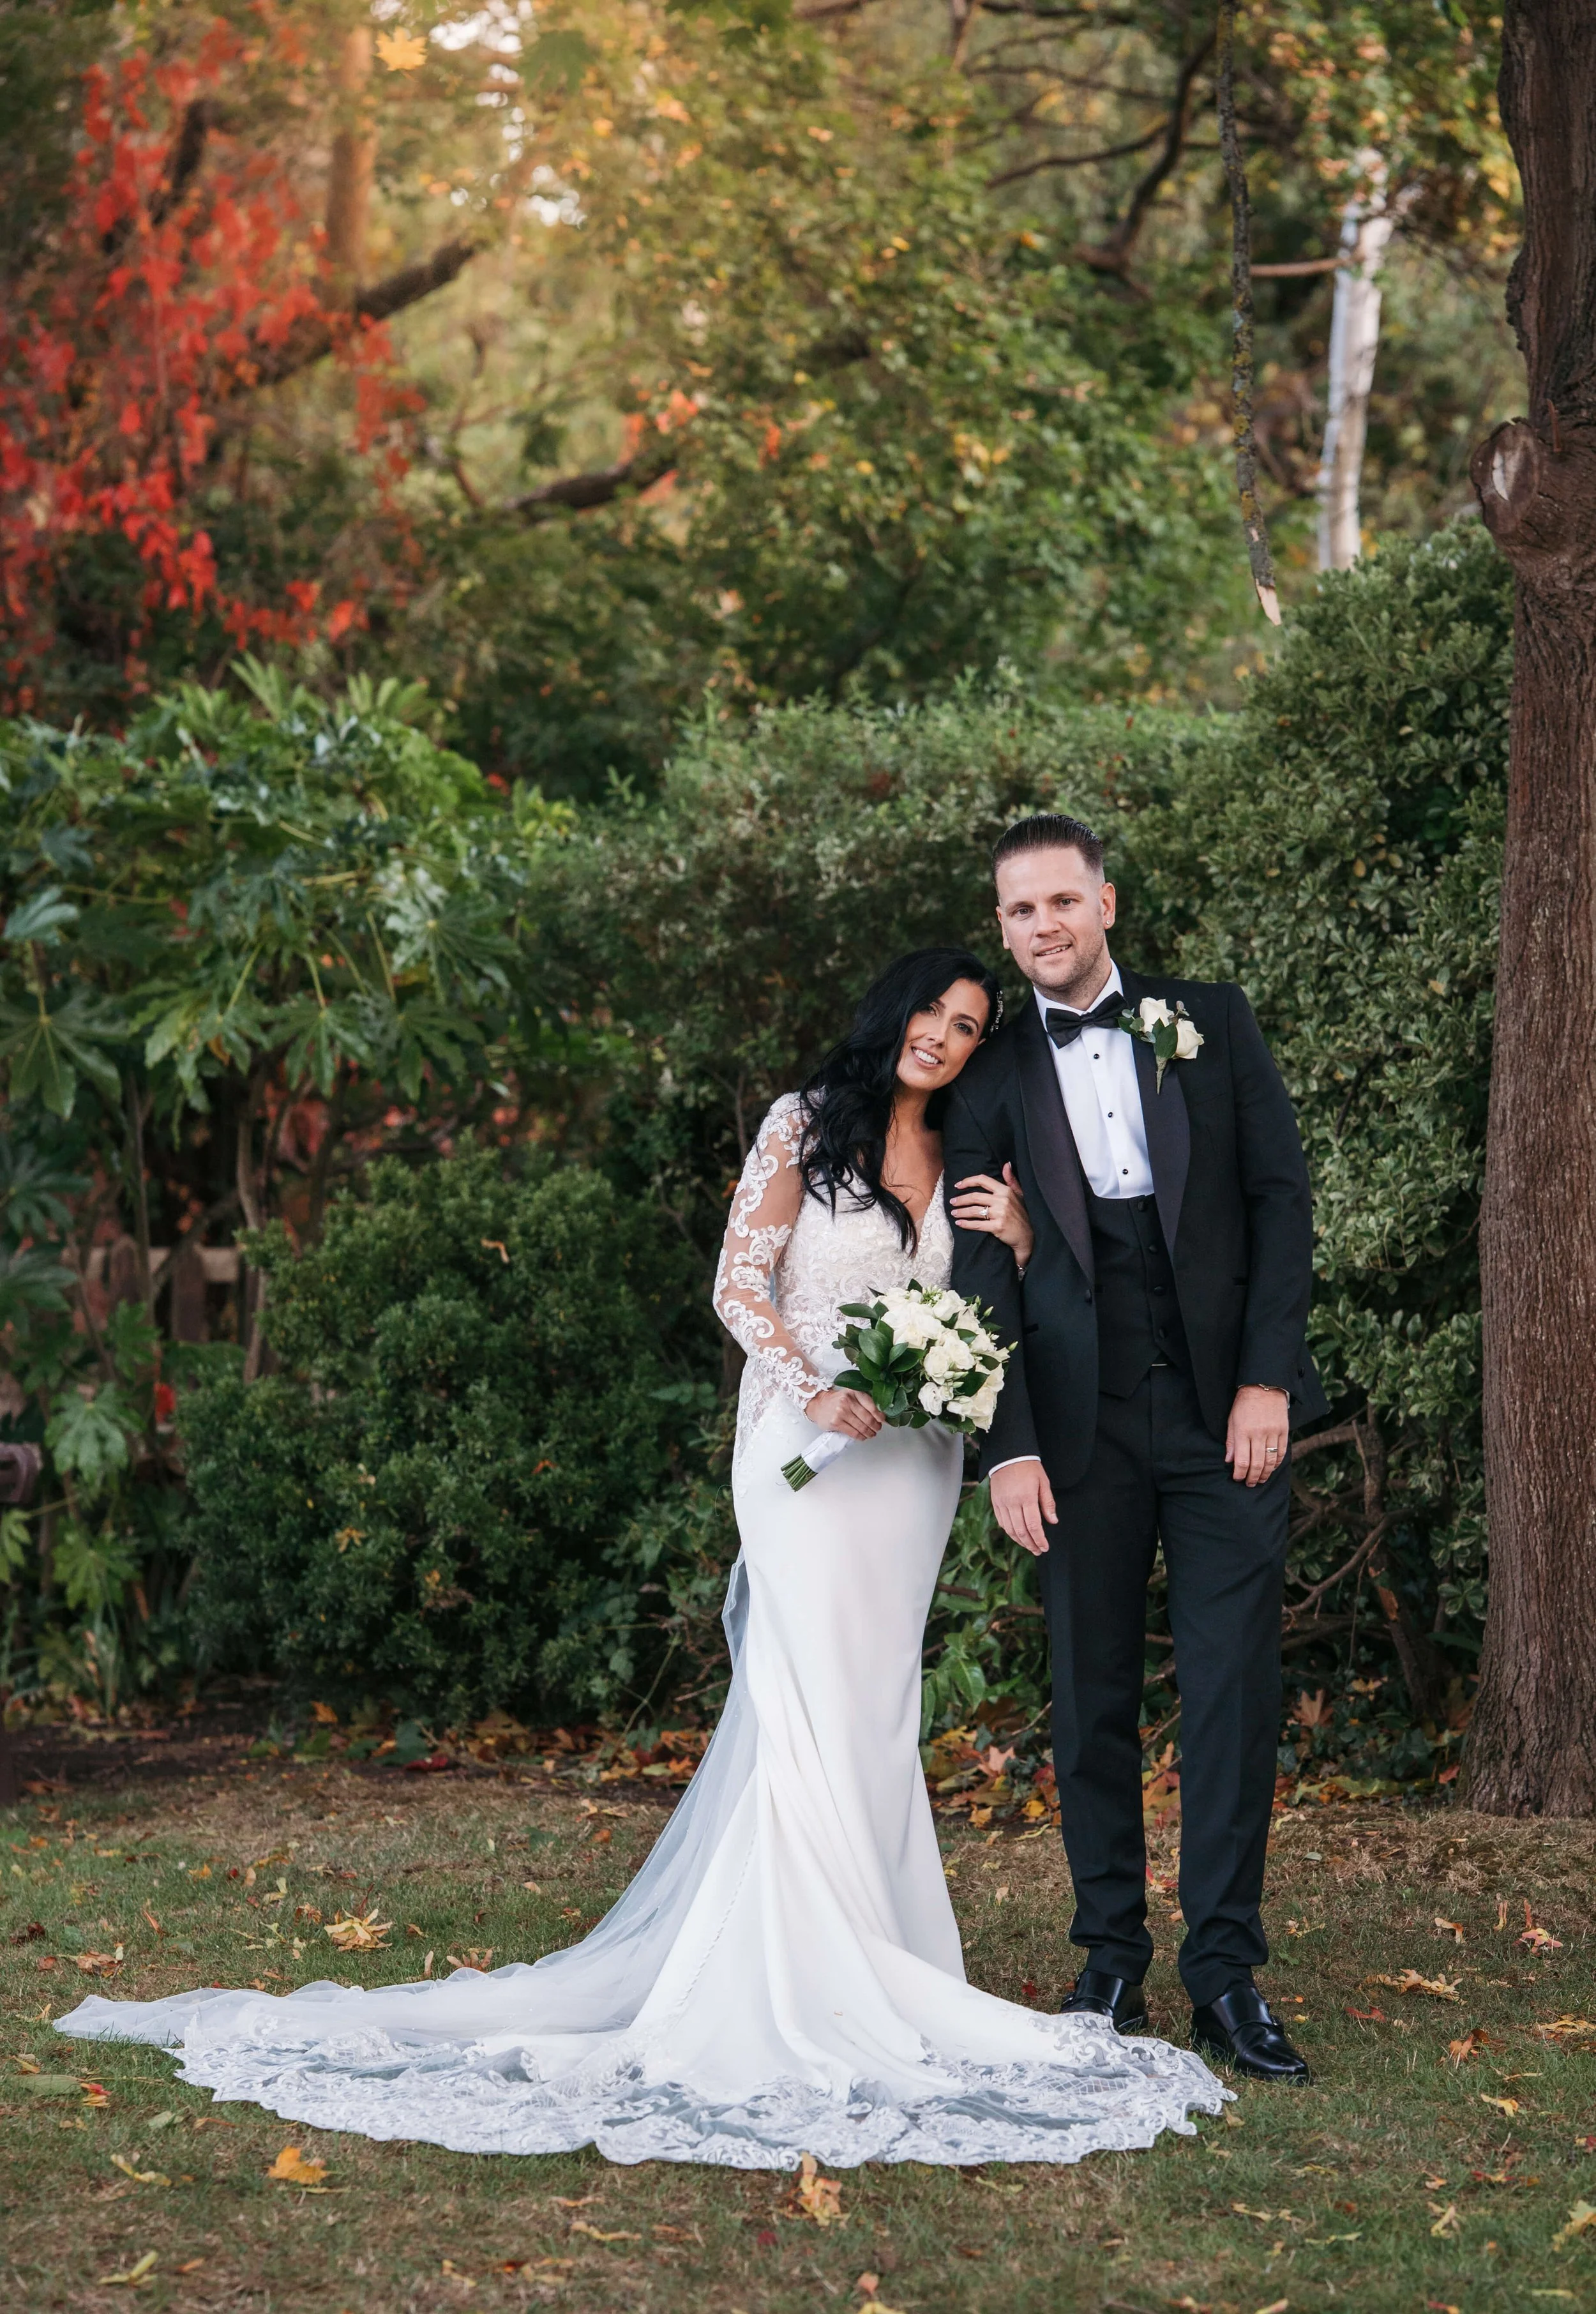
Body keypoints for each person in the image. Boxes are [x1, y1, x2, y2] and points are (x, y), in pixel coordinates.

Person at [54, 946, 1226, 2168]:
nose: (943, 1034)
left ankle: (885, 1956)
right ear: (893, 1013)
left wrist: (1029, 1239)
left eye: (970, 1024)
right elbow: (739, 1286)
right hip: (804, 1452)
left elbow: (989, 1300)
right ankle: (792, 1979)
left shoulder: (970, 1144)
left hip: (912, 1463)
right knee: (806, 1695)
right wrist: (814, 1393)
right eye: (931, 1011)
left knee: (875, 1709)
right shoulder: (805, 1122)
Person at [944, 817, 1327, 2084]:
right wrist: (1005, 1446)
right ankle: (1108, 1951)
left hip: (1226, 1420)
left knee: (1228, 1694)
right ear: (1000, 930)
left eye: (1061, 901)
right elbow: (973, 1274)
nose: (1042, 927)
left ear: (1104, 902)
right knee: (1086, 1691)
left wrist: (1266, 1377)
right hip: (1074, 1431)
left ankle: (1223, 1973)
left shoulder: (1207, 1021)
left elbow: (1277, 1199)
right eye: (1018, 912)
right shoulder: (991, 1074)